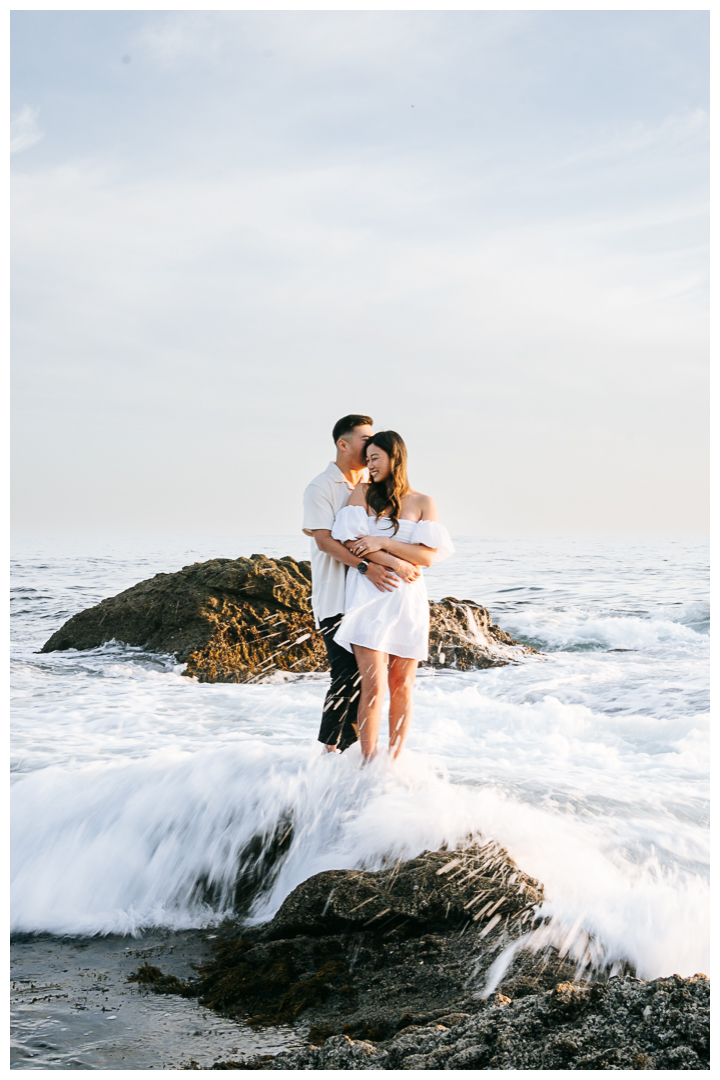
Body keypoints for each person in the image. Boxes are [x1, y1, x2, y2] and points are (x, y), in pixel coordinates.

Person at [330, 431, 454, 760]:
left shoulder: (423, 502)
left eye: (375, 459)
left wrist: (383, 544)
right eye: (367, 459)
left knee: (402, 684)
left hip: (408, 602)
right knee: (373, 685)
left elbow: (427, 558)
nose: (369, 466)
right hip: (369, 598)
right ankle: (368, 764)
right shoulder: (363, 492)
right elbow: (351, 541)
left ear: (394, 457)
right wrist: (395, 561)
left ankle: (393, 763)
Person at [302, 415, 421, 753]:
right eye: (364, 440)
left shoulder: (373, 488)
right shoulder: (322, 487)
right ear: (343, 444)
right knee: (345, 677)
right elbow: (326, 541)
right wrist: (367, 566)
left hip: (371, 598)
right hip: (336, 597)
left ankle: (352, 754)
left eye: (374, 444)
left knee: (368, 681)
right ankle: (328, 754)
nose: (370, 446)